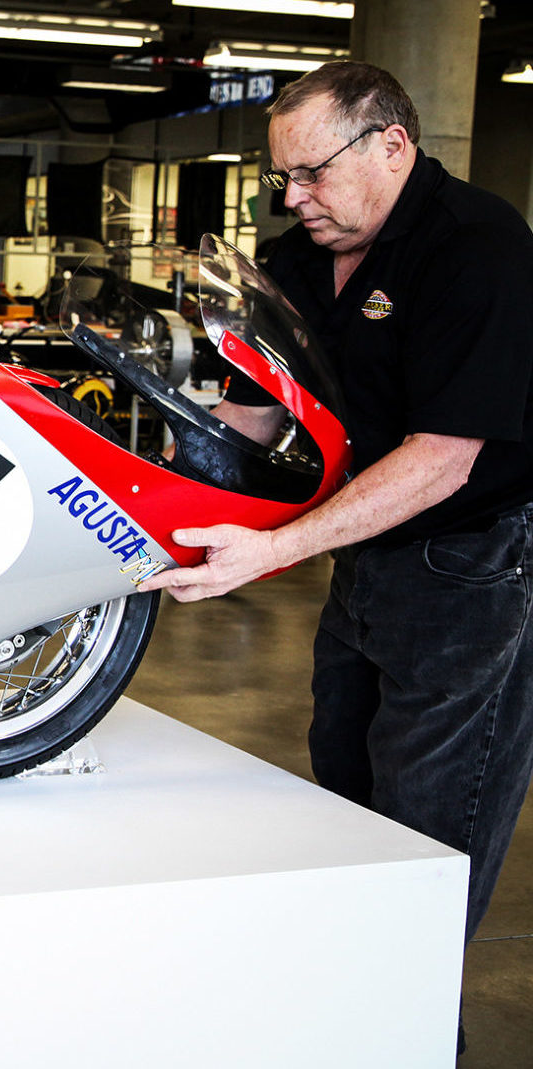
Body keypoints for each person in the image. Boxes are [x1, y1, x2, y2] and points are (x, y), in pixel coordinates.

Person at [140, 59, 533, 1020]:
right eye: (283, 177)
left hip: (471, 568)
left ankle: (407, 1028)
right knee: (345, 790)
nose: (295, 196)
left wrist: (271, 550)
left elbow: (443, 460)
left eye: (312, 172)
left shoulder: (477, 247)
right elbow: (252, 420)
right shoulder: (296, 261)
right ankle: (358, 1019)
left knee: (429, 827)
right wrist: (145, 509)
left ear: (392, 144)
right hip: (364, 557)